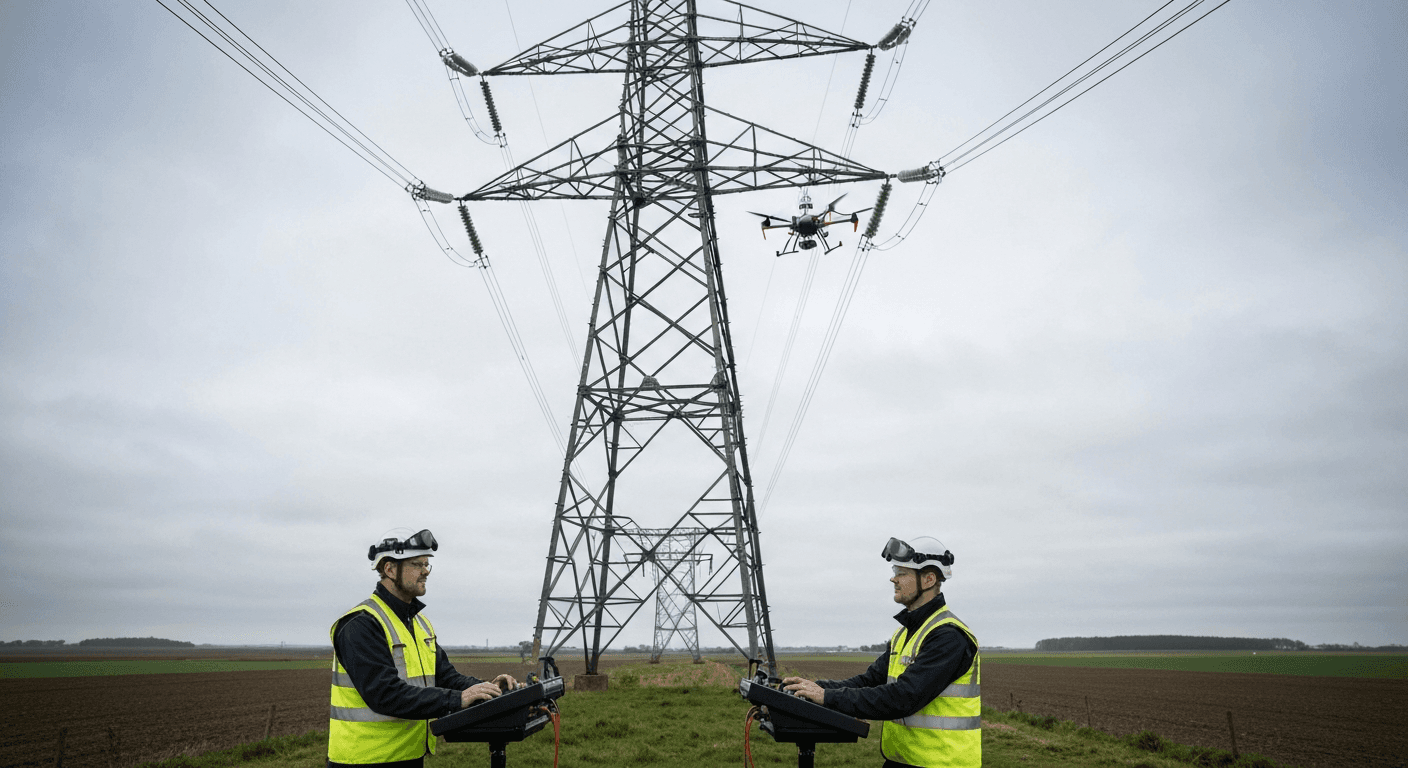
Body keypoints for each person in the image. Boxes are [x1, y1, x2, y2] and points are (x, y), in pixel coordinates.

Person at [781, 536, 980, 768]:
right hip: (902, 760)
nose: (893, 578)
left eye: (902, 573)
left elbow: (904, 697)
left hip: (943, 763)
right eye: (895, 571)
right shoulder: (904, 634)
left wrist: (827, 697)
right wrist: (814, 688)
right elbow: (869, 681)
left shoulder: (949, 637)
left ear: (928, 579)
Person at [328, 528, 518, 768]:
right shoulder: (361, 624)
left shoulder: (419, 623)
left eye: (427, 564)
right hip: (363, 760)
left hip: (409, 756)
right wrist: (458, 699)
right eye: (417, 564)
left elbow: (446, 677)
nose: (426, 571)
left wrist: (489, 688)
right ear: (389, 569)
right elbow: (386, 694)